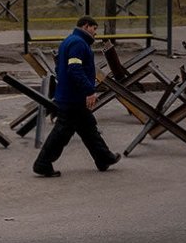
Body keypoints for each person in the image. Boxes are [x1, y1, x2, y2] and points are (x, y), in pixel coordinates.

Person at [33, 15, 121, 177]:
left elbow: (60, 66)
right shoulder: (78, 44)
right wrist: (89, 90)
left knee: (88, 128)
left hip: (70, 95)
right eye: (94, 29)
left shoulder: (70, 40)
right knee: (62, 132)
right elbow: (74, 69)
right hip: (73, 97)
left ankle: (103, 158)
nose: (95, 33)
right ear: (86, 26)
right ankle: (42, 163)